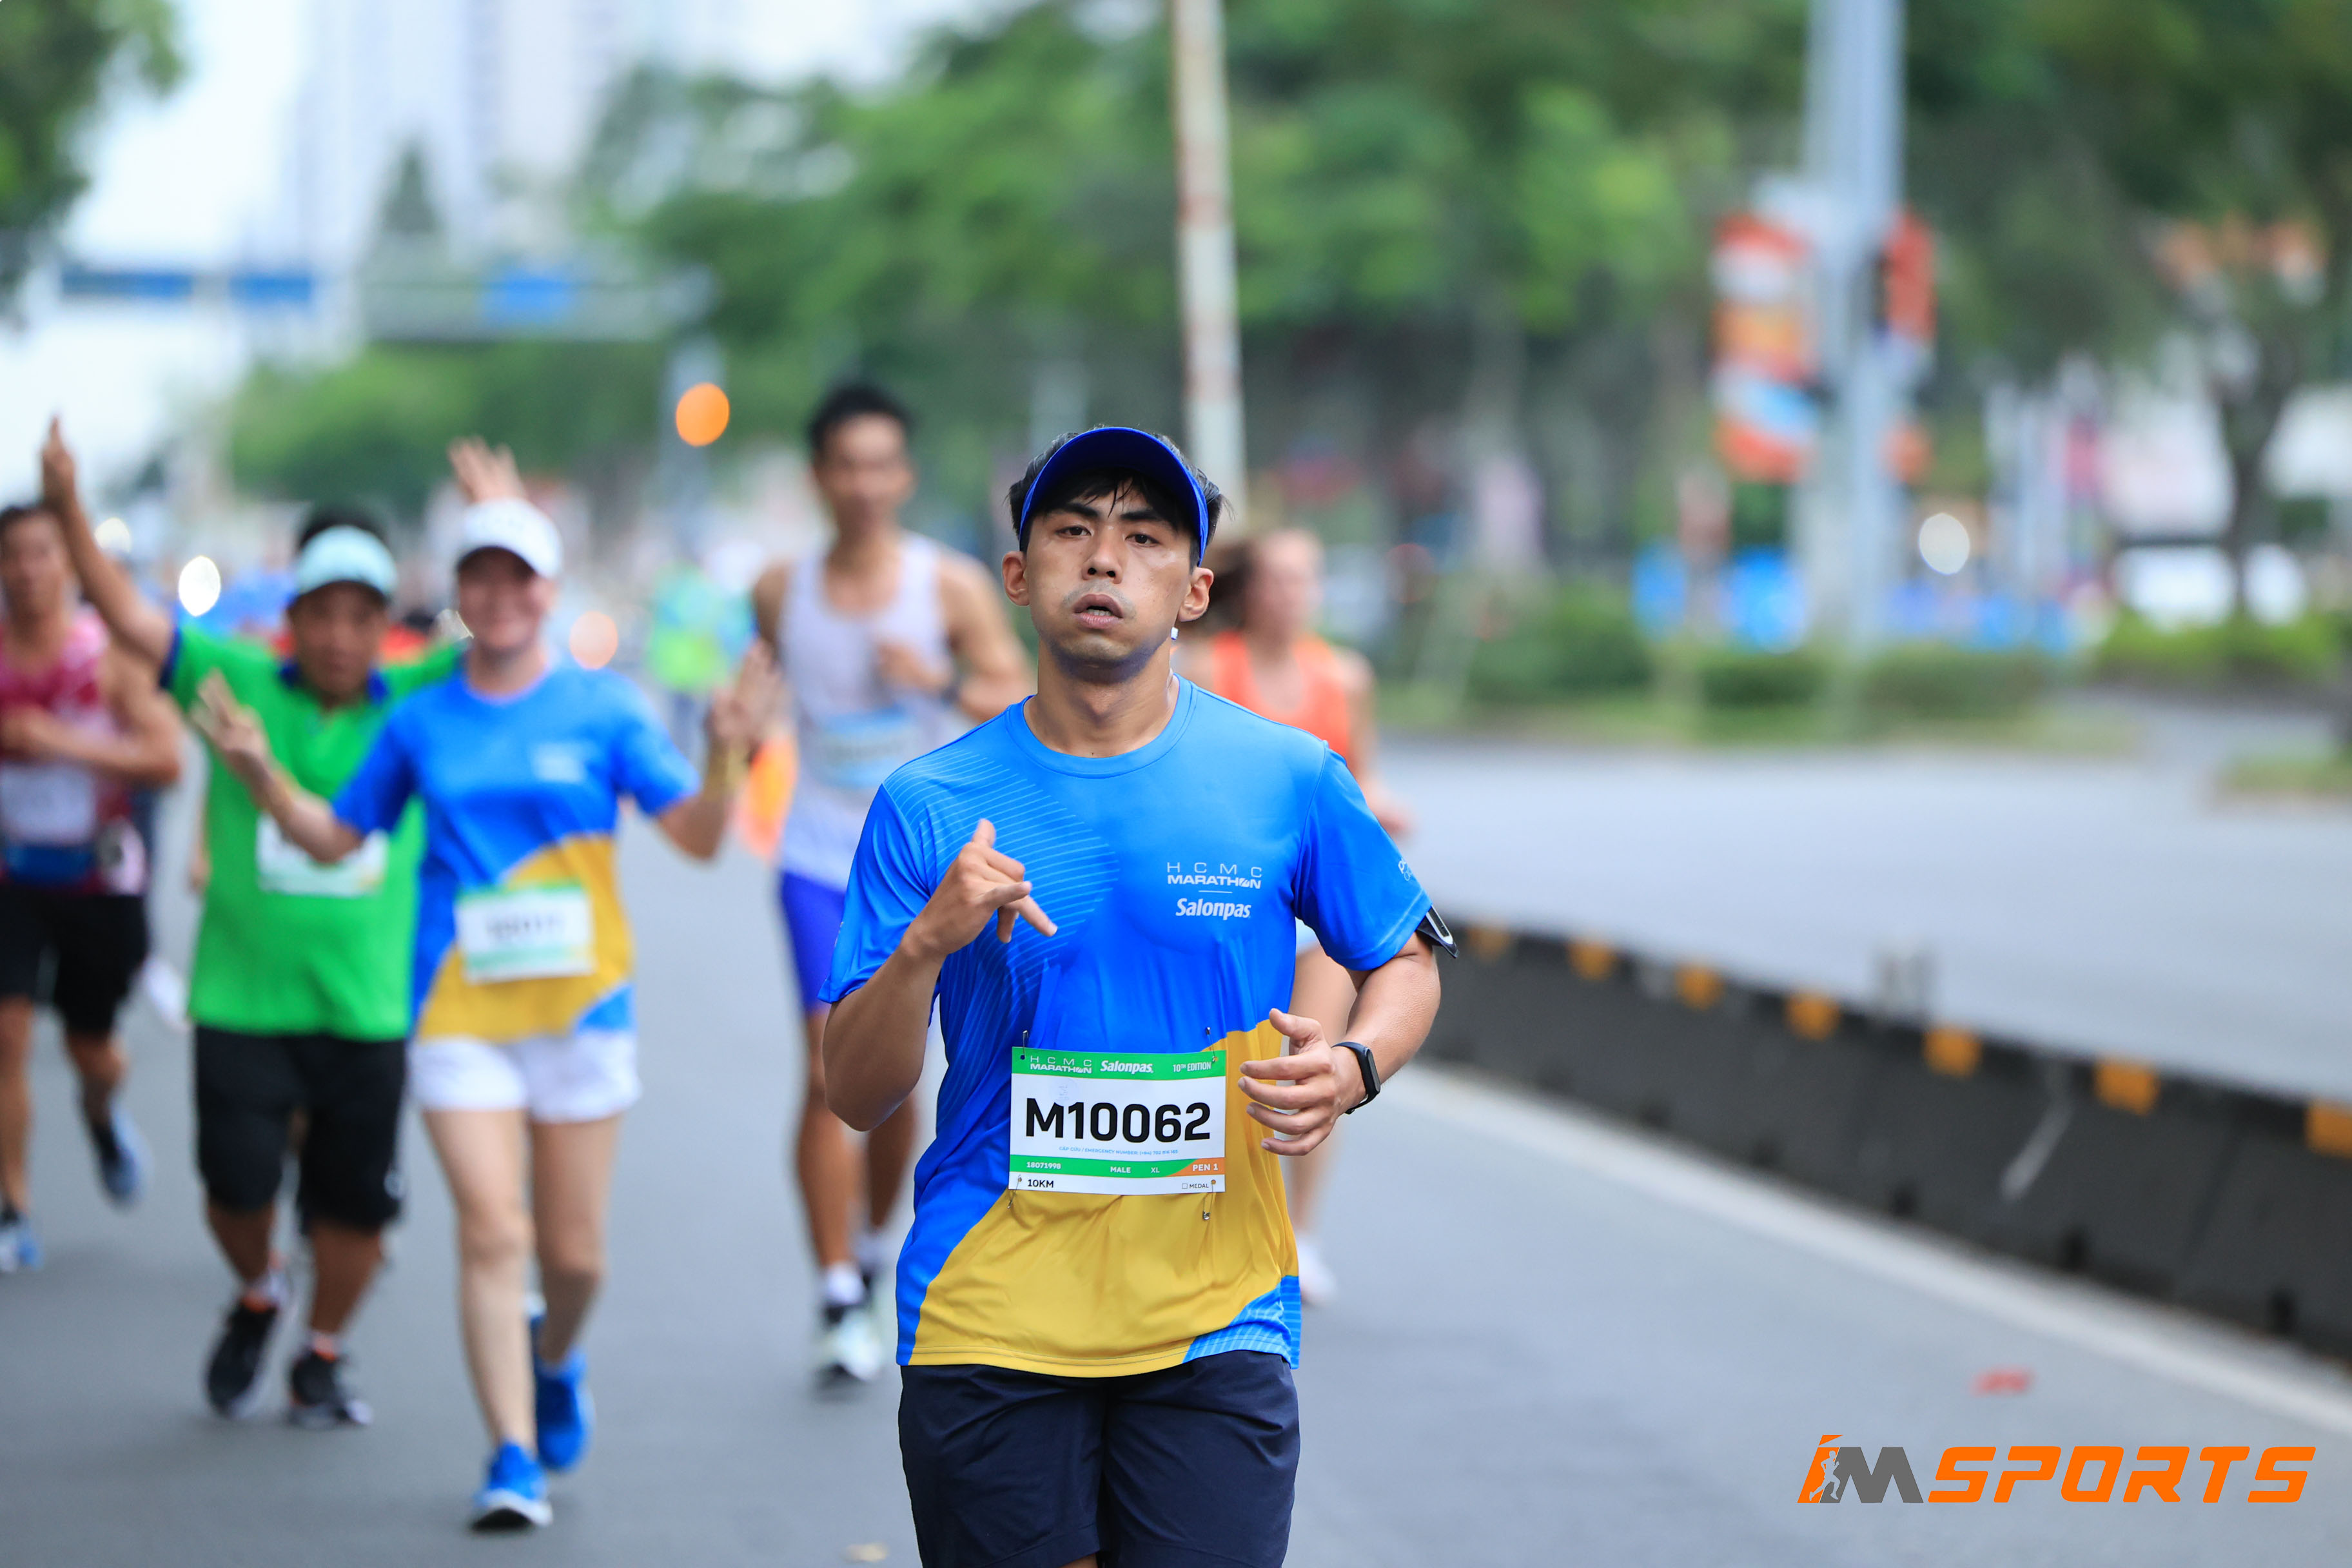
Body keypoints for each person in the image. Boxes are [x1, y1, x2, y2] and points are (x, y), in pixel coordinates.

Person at [821, 427, 1447, 1568]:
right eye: (1072, 531)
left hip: (1217, 1308)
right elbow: (857, 1094)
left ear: (1194, 591)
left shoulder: (1287, 775)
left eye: (1145, 537)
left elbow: (1403, 960)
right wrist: (922, 949)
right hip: (989, 1307)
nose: (1104, 558)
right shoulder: (930, 802)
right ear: (1019, 576)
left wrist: (1355, 1066)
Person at [196, 438, 777, 1532]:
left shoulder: (606, 709)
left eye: (520, 576)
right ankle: (510, 1454)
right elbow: (337, 838)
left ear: (549, 591)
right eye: (480, 576)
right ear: (457, 594)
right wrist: (263, 776)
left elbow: (701, 840)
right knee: (491, 1234)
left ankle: (554, 1358)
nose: (501, 595)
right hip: (457, 1011)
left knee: (574, 1258)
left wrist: (725, 757)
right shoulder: (419, 719)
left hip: (582, 1012)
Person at [41, 419, 458, 1421]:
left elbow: (509, 631)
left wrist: (498, 523)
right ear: (292, 617)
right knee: (234, 1187)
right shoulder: (234, 678)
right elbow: (127, 616)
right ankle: (260, 1288)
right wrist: (68, 507)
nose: (340, 636)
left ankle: (324, 1349)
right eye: (322, 614)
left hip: (364, 1007)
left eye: (362, 617)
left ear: (386, 625)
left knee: (355, 1209)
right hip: (241, 996)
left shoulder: (417, 699)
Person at [749, 384, 1027, 1386]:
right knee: (825, 1065)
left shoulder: (947, 586)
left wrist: (935, 682)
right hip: (819, 858)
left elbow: (1015, 696)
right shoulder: (779, 589)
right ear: (819, 476)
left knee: (895, 1073)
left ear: (903, 475)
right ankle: (834, 1287)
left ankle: (869, 1244)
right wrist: (736, 735)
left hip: (924, 863)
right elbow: (761, 687)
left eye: (881, 465)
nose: (864, 484)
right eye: (846, 465)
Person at [1186, 528, 1414, 1306]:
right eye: (1277, 579)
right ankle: (1210, 1214)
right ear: (1250, 590)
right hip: (1227, 899)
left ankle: (1299, 1235)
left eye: (1304, 579)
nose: (1290, 594)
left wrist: (1384, 806)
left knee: (1314, 1060)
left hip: (1313, 903)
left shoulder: (1344, 675)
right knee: (1225, 1062)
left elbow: (1362, 774)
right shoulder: (1208, 667)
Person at [0, 456, 183, 1274]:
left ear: (70, 564)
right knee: (6, 1035)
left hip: (97, 878)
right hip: (11, 877)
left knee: (93, 1052)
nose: (26, 571)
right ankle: (14, 1206)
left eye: (42, 553)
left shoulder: (107, 655)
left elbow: (168, 760)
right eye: (12, 556)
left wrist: (60, 741)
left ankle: (104, 1117)